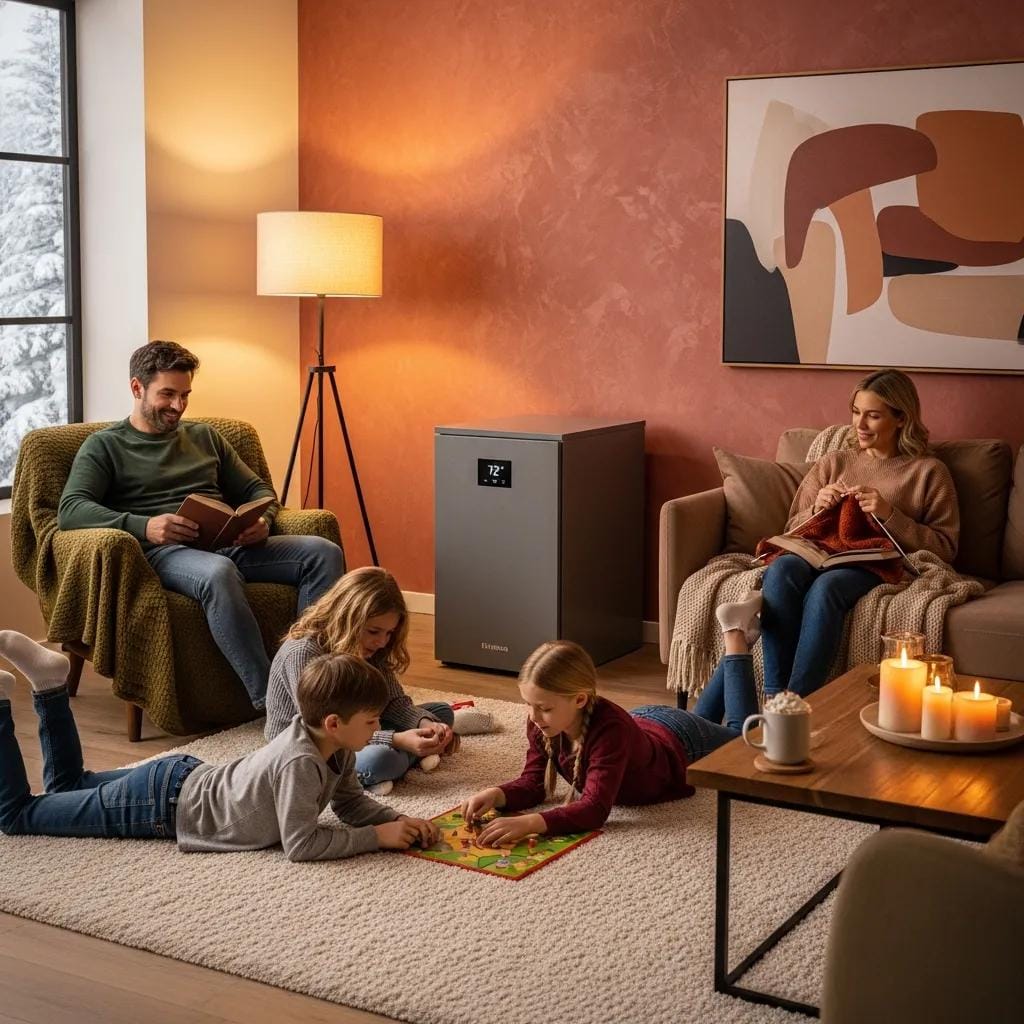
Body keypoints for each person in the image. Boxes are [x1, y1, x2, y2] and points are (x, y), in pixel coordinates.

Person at [57, 340, 344, 710]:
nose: (178, 406)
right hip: (165, 554)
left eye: (185, 394)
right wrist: (145, 526)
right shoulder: (104, 447)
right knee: (218, 572)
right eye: (168, 394)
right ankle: (273, 701)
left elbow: (258, 488)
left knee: (323, 552)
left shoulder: (205, 436)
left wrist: (263, 520)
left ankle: (313, 684)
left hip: (227, 541)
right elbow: (71, 510)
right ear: (137, 388)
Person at [0, 630, 439, 859]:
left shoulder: (338, 747)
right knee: (17, 816)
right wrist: (374, 839)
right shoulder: (300, 763)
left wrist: (398, 819)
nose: (379, 726)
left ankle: (50, 684)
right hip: (160, 806)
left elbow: (350, 806)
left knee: (66, 787)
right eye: (371, 720)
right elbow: (301, 845)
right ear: (333, 722)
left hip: (180, 780)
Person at [696, 367, 959, 719]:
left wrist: (889, 514)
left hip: (873, 561)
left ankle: (798, 704)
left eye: (873, 415)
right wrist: (818, 506)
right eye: (856, 412)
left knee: (827, 589)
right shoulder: (834, 462)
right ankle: (777, 699)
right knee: (784, 569)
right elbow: (792, 528)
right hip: (816, 552)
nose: (860, 425)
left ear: (901, 418)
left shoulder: (928, 471)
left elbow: (945, 547)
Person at [460, 640, 758, 846]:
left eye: (545, 708)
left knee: (750, 740)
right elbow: (533, 783)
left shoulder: (609, 730)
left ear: (579, 700)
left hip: (679, 738)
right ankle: (731, 648)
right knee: (707, 721)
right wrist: (495, 794)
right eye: (528, 704)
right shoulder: (541, 722)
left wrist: (529, 824)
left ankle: (735, 638)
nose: (533, 716)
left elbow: (594, 809)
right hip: (644, 724)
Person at [264, 566, 457, 796]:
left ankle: (414, 751)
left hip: (359, 726)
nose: (382, 642)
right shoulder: (304, 652)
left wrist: (426, 725)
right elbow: (325, 729)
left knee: (441, 713)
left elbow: (394, 702)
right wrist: (396, 740)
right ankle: (406, 758)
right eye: (374, 631)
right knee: (381, 759)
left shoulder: (372, 649)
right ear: (348, 618)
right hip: (314, 747)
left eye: (389, 633)